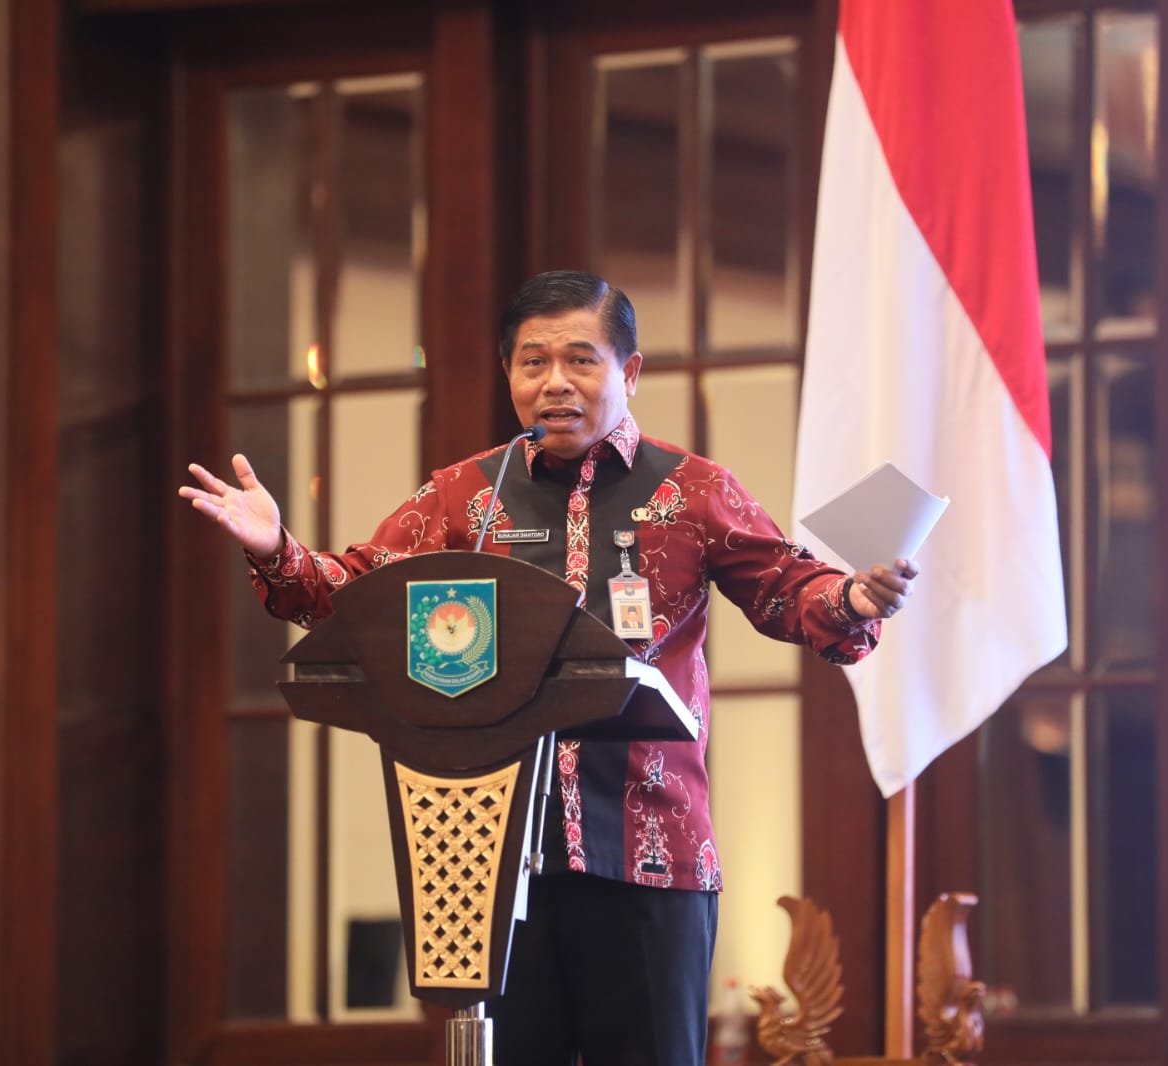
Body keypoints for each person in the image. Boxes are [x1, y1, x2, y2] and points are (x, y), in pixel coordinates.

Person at [181, 270, 917, 1066]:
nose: (554, 382)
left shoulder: (693, 491)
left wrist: (852, 596)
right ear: (510, 375)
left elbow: (787, 589)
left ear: (629, 371)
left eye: (580, 360)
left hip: (651, 853)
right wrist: (276, 548)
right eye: (533, 362)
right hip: (490, 855)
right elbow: (354, 596)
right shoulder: (467, 496)